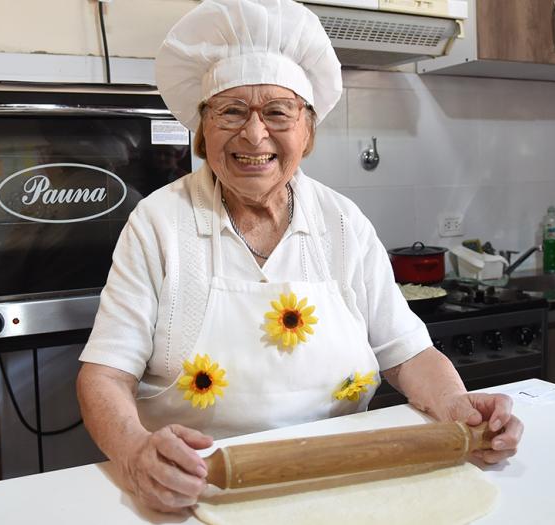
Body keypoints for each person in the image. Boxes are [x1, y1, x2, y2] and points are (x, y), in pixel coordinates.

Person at [75, 0, 523, 513]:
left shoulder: (342, 221)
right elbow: (105, 374)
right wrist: (135, 453)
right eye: (232, 111)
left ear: (307, 131)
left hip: (345, 479)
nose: (254, 134)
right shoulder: (159, 223)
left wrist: (455, 405)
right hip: (200, 488)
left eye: (277, 113)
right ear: (202, 131)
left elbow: (408, 352)